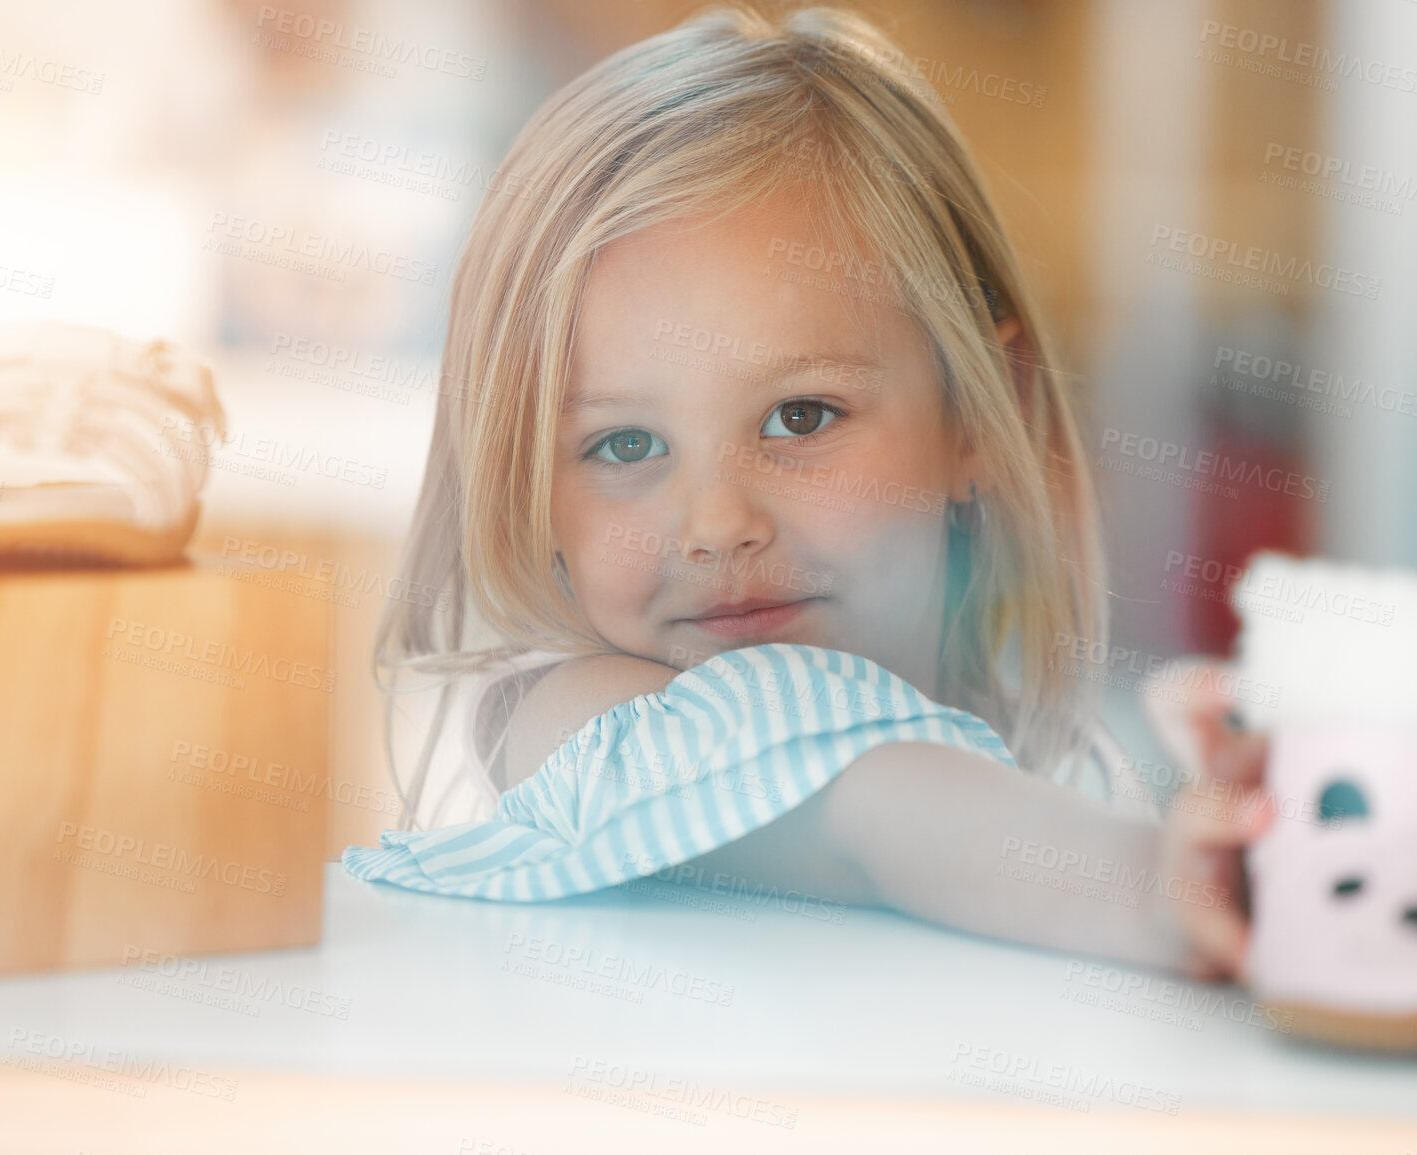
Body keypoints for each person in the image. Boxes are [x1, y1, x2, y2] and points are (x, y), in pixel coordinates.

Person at [363, 4, 1272, 982]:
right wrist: (1149, 887)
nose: (716, 525)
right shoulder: (565, 726)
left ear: (978, 410)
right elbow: (858, 804)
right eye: (624, 443)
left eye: (799, 417)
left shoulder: (1072, 758)